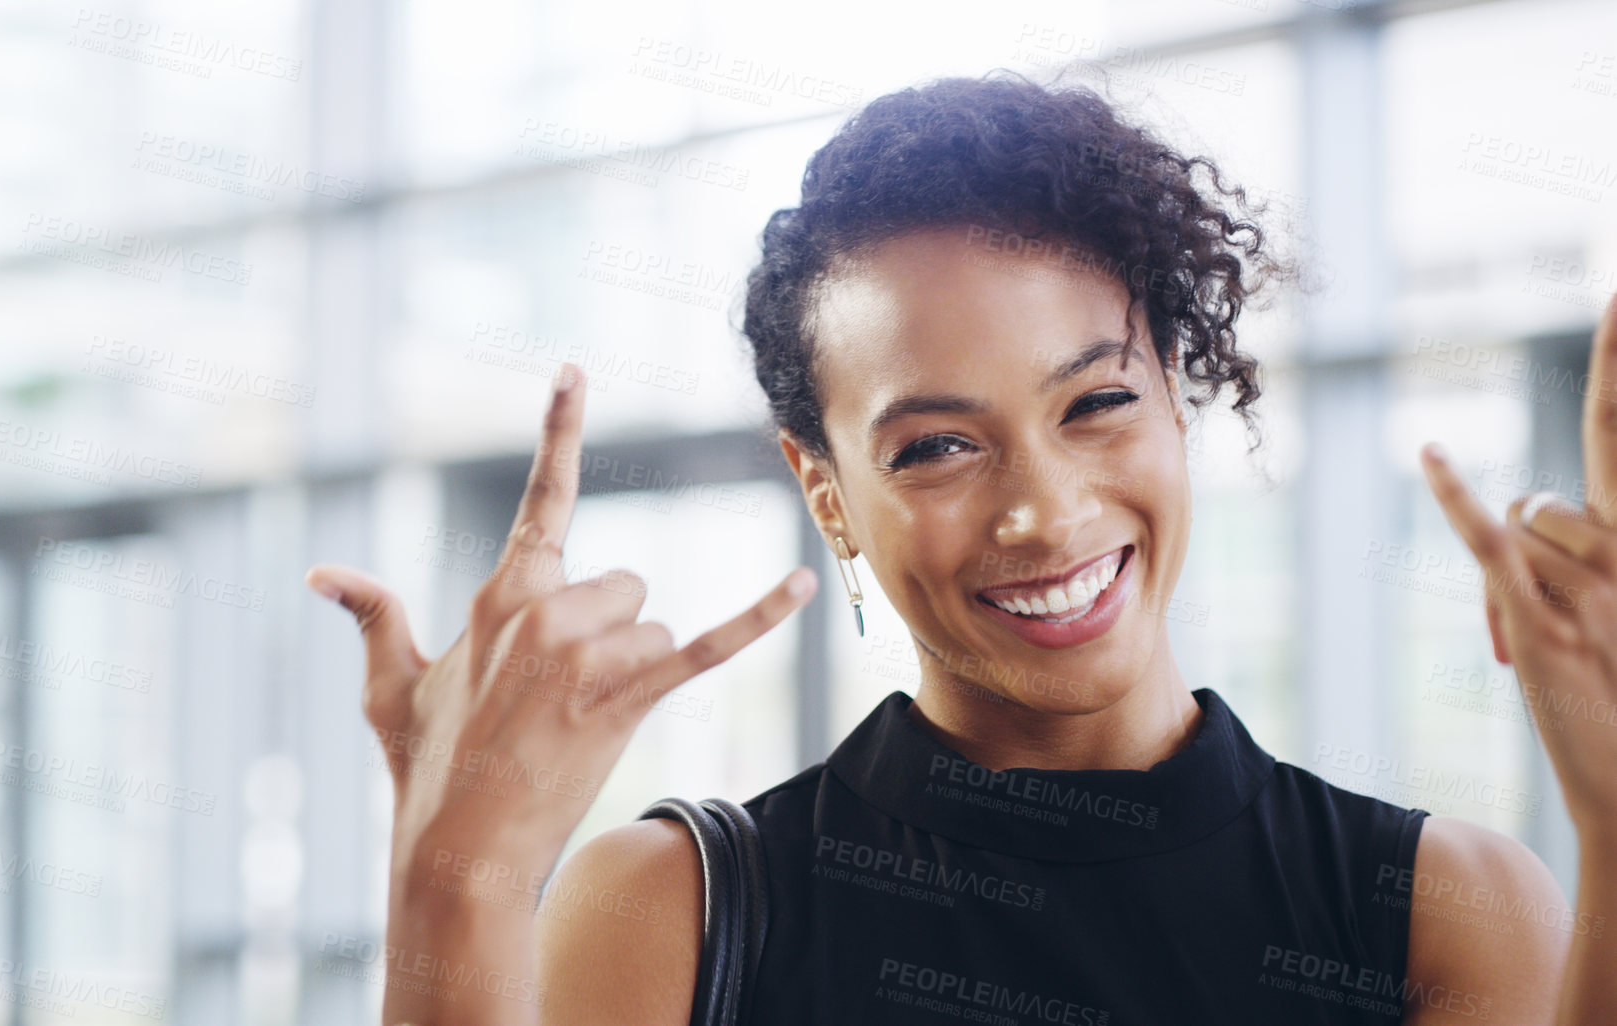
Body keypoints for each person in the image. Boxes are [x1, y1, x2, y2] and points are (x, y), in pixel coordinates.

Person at [305, 73, 1617, 1025]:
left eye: (1096, 402)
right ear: (824, 490)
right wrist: (455, 880)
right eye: (937, 445)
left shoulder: (1437, 909)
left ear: (1180, 388)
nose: (1041, 511)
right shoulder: (676, 912)